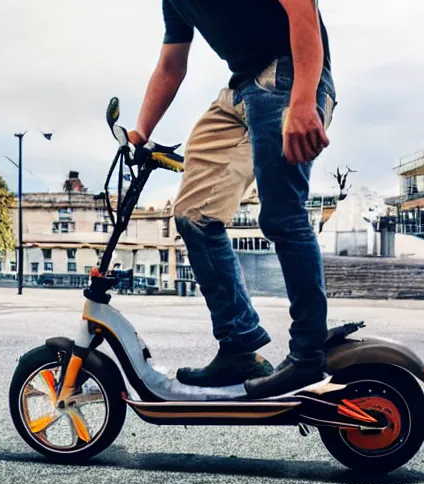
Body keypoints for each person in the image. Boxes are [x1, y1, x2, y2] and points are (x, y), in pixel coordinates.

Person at [128, 0, 337, 398]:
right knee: (193, 214)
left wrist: (305, 99)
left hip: (290, 73)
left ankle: (308, 355)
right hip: (241, 90)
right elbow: (171, 67)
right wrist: (139, 135)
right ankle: (239, 345)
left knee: (282, 215)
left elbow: (303, 11)